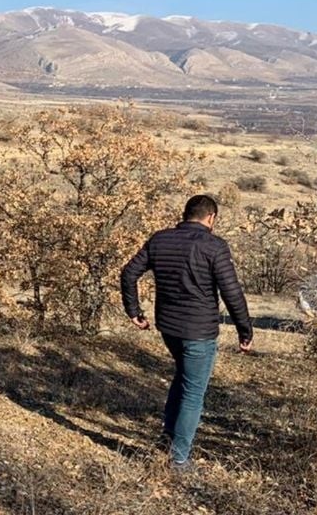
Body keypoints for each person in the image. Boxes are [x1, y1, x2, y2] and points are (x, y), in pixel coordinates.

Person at [119, 194, 253, 472]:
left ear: (185, 214)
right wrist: (245, 330)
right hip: (199, 331)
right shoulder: (214, 246)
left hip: (168, 327)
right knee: (193, 391)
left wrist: (134, 310)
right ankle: (179, 459)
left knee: (182, 378)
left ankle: (168, 437)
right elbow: (232, 292)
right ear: (211, 218)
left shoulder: (160, 239)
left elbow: (128, 273)